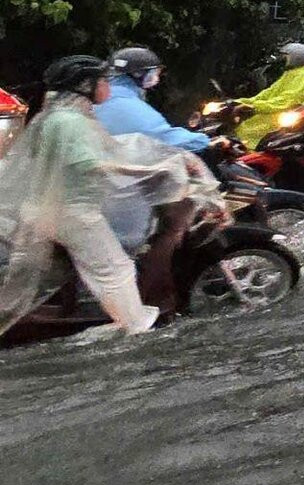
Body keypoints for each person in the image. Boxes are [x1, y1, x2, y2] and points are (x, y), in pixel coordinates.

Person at [0, 57, 173, 336]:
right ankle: (135, 329)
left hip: (48, 209)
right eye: (103, 81)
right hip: (72, 212)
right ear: (85, 85)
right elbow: (89, 163)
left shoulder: (58, 117)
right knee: (115, 269)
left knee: (35, 280)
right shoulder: (71, 122)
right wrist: (149, 169)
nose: (108, 87)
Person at [93, 47, 210, 153]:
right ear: (138, 74)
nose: (156, 78)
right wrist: (205, 141)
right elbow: (165, 138)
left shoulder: (102, 95)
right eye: (153, 73)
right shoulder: (128, 105)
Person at [234, 42, 304, 149]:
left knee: (248, 133)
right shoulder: (291, 74)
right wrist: (242, 101)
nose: (283, 59)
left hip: (282, 117)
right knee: (242, 129)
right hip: (273, 113)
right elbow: (268, 93)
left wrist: (255, 106)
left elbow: (285, 100)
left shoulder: (301, 76)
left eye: (286, 56)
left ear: (296, 58)